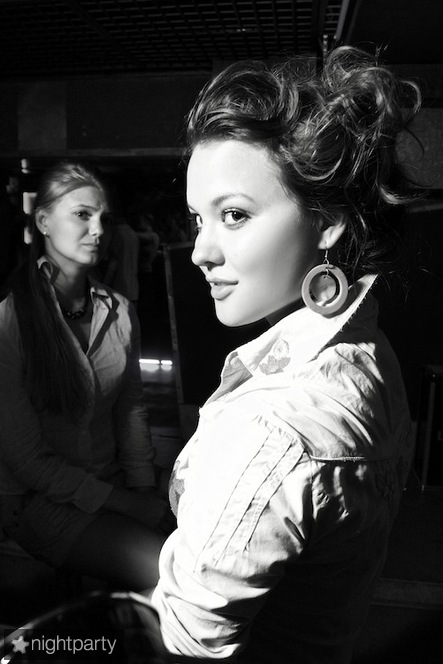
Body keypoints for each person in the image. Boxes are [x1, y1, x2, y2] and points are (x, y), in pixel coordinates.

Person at [148, 46, 421, 663]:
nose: (201, 252)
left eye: (234, 215)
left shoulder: (272, 427)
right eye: (197, 219)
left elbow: (184, 644)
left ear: (326, 221)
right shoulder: (366, 350)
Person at [0, 161, 172, 593]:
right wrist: (129, 504)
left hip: (110, 481)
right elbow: (27, 461)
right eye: (82, 214)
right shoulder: (11, 318)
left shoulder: (118, 310)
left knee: (205, 548)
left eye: (104, 218)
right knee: (171, 575)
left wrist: (144, 487)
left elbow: (130, 411)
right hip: (38, 501)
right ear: (43, 221)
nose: (98, 230)